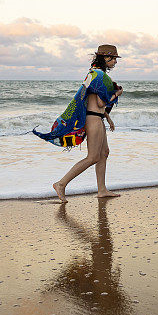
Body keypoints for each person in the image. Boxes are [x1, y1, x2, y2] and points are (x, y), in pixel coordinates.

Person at [43, 44, 123, 202]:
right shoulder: (99, 75)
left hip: (96, 117)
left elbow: (91, 100)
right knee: (93, 157)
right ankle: (61, 184)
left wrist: (107, 117)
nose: (115, 62)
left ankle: (102, 190)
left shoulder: (94, 74)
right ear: (106, 58)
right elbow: (101, 102)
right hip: (93, 118)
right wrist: (117, 93)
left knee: (104, 153)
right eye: (114, 58)